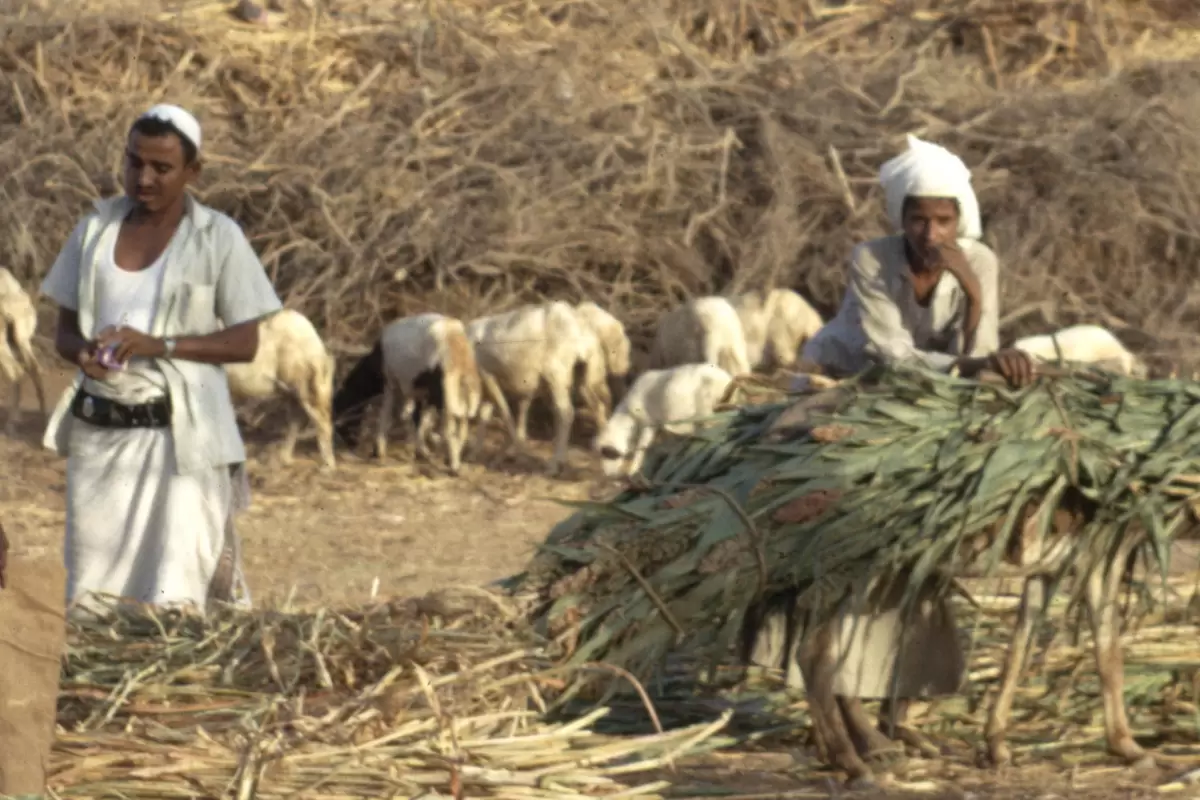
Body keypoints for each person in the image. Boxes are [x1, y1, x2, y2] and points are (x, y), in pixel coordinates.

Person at [39, 104, 283, 615]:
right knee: (93, 597)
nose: (143, 178)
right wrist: (83, 354)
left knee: (174, 596)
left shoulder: (219, 237)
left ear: (193, 173)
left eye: (161, 168)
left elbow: (245, 343)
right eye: (134, 162)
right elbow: (64, 331)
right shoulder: (95, 230)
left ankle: (175, 692)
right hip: (101, 437)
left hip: (181, 440)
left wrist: (161, 346)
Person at [800, 134, 1034, 389]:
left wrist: (973, 293)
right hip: (843, 368)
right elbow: (891, 355)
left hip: (923, 378)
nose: (931, 235)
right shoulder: (871, 259)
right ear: (903, 219)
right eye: (919, 220)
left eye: (944, 221)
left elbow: (979, 356)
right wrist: (970, 365)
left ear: (959, 220)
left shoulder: (980, 261)